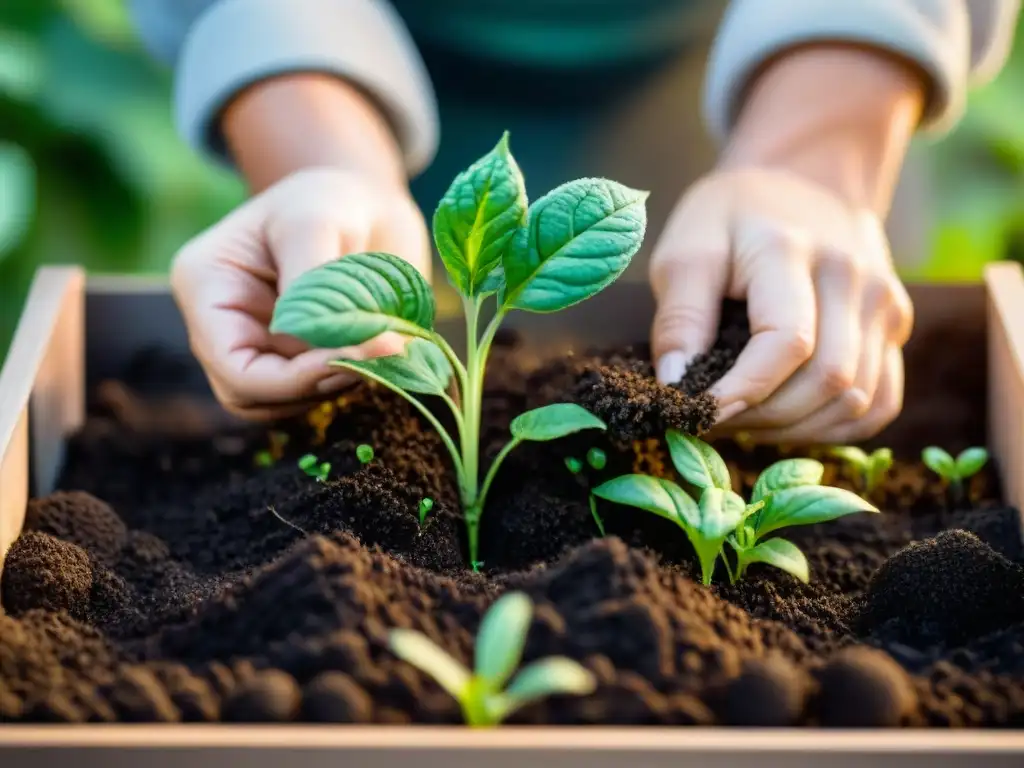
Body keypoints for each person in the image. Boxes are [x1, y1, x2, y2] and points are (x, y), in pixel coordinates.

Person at [128, 0, 1020, 441]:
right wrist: (318, 156)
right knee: (401, 362)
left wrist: (818, 159)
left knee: (788, 320)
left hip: (778, 46)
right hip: (340, 42)